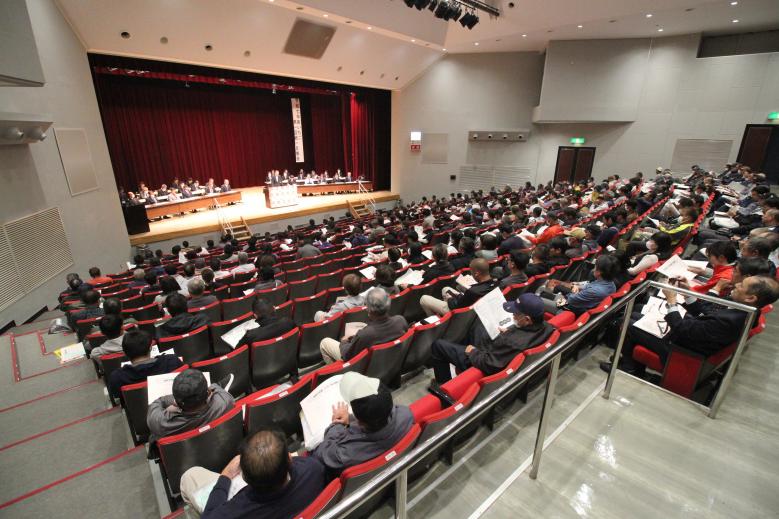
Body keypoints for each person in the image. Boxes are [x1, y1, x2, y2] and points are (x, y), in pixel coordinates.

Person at [601, 275, 779, 376]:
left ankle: (630, 368)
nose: (737, 284)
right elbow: (704, 314)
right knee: (635, 315)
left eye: (742, 285)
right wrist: (686, 292)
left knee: (628, 323)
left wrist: (672, 300)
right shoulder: (745, 310)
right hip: (690, 335)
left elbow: (682, 329)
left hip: (681, 348)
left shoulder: (733, 319)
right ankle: (630, 361)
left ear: (751, 298)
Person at [180, 429, 326, 517]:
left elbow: (209, 516)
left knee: (190, 475)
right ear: (289, 459)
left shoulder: (238, 509)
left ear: (244, 478)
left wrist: (225, 476)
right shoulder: (314, 469)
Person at [429, 294, 555, 383]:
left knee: (438, 345)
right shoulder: (548, 327)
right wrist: (511, 332)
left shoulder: (512, 342)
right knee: (478, 327)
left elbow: (489, 364)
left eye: (516, 313)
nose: (513, 315)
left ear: (527, 319)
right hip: (503, 352)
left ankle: (443, 384)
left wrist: (472, 352)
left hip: (486, 361)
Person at [311, 372, 414, 476]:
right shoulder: (406, 415)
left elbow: (322, 453)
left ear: (359, 422)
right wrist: (350, 418)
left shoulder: (345, 454)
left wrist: (336, 424)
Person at [319, 288, 408, 363]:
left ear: (368, 309)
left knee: (324, 342)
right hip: (390, 363)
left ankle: (336, 372)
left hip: (366, 367)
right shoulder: (401, 321)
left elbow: (346, 355)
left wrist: (344, 341)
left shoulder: (365, 334)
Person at [147, 368, 235, 442]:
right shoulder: (225, 401)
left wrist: (178, 398)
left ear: (176, 403)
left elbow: (157, 402)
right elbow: (215, 388)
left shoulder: (160, 422)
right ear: (208, 393)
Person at [107, 330, 183, 400]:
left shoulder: (117, 377)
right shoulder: (172, 361)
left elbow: (117, 398)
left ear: (125, 353)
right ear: (150, 347)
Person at [420, 258, 496, 317]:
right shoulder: (496, 284)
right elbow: (464, 300)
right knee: (445, 289)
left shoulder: (473, 291)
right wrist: (457, 297)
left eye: (471, 272)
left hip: (458, 312)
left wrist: (450, 299)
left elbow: (456, 306)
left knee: (423, 299)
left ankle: (437, 321)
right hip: (466, 303)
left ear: (476, 274)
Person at [543, 255, 618, 316]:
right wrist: (574, 287)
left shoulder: (595, 291)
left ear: (599, 272)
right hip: (579, 301)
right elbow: (585, 287)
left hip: (569, 307)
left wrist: (569, 292)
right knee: (555, 288)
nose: (594, 269)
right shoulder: (612, 284)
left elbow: (570, 299)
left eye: (595, 266)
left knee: (541, 297)